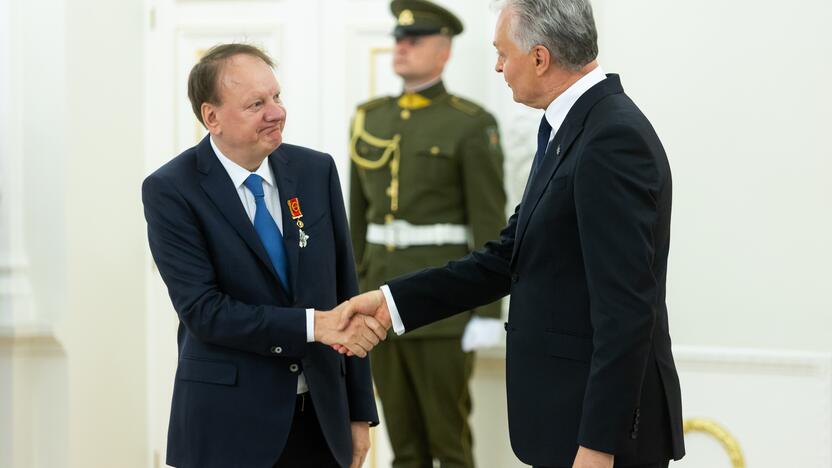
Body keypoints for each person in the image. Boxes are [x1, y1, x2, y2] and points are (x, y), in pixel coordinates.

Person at [341, 0, 686, 467]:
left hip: (599, 438)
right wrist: (391, 303)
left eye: (503, 53)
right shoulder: (571, 126)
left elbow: (627, 311)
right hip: (566, 419)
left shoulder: (609, 138)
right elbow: (510, 255)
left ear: (540, 58)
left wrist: (598, 446)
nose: (499, 66)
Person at [142, 43, 385, 468]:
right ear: (211, 117)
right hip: (227, 425)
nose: (276, 112)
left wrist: (359, 412)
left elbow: (348, 291)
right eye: (256, 104)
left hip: (321, 421)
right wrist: (315, 326)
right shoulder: (172, 190)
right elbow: (204, 311)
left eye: (276, 97)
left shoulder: (316, 171)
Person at [348, 0, 506, 466]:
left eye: (415, 39)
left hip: (444, 305)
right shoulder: (368, 118)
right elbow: (356, 218)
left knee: (448, 441)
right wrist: (352, 290)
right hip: (378, 299)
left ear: (444, 51)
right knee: (402, 444)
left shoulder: (470, 124)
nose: (402, 47)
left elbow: (489, 222)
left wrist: (487, 312)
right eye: (399, 38)